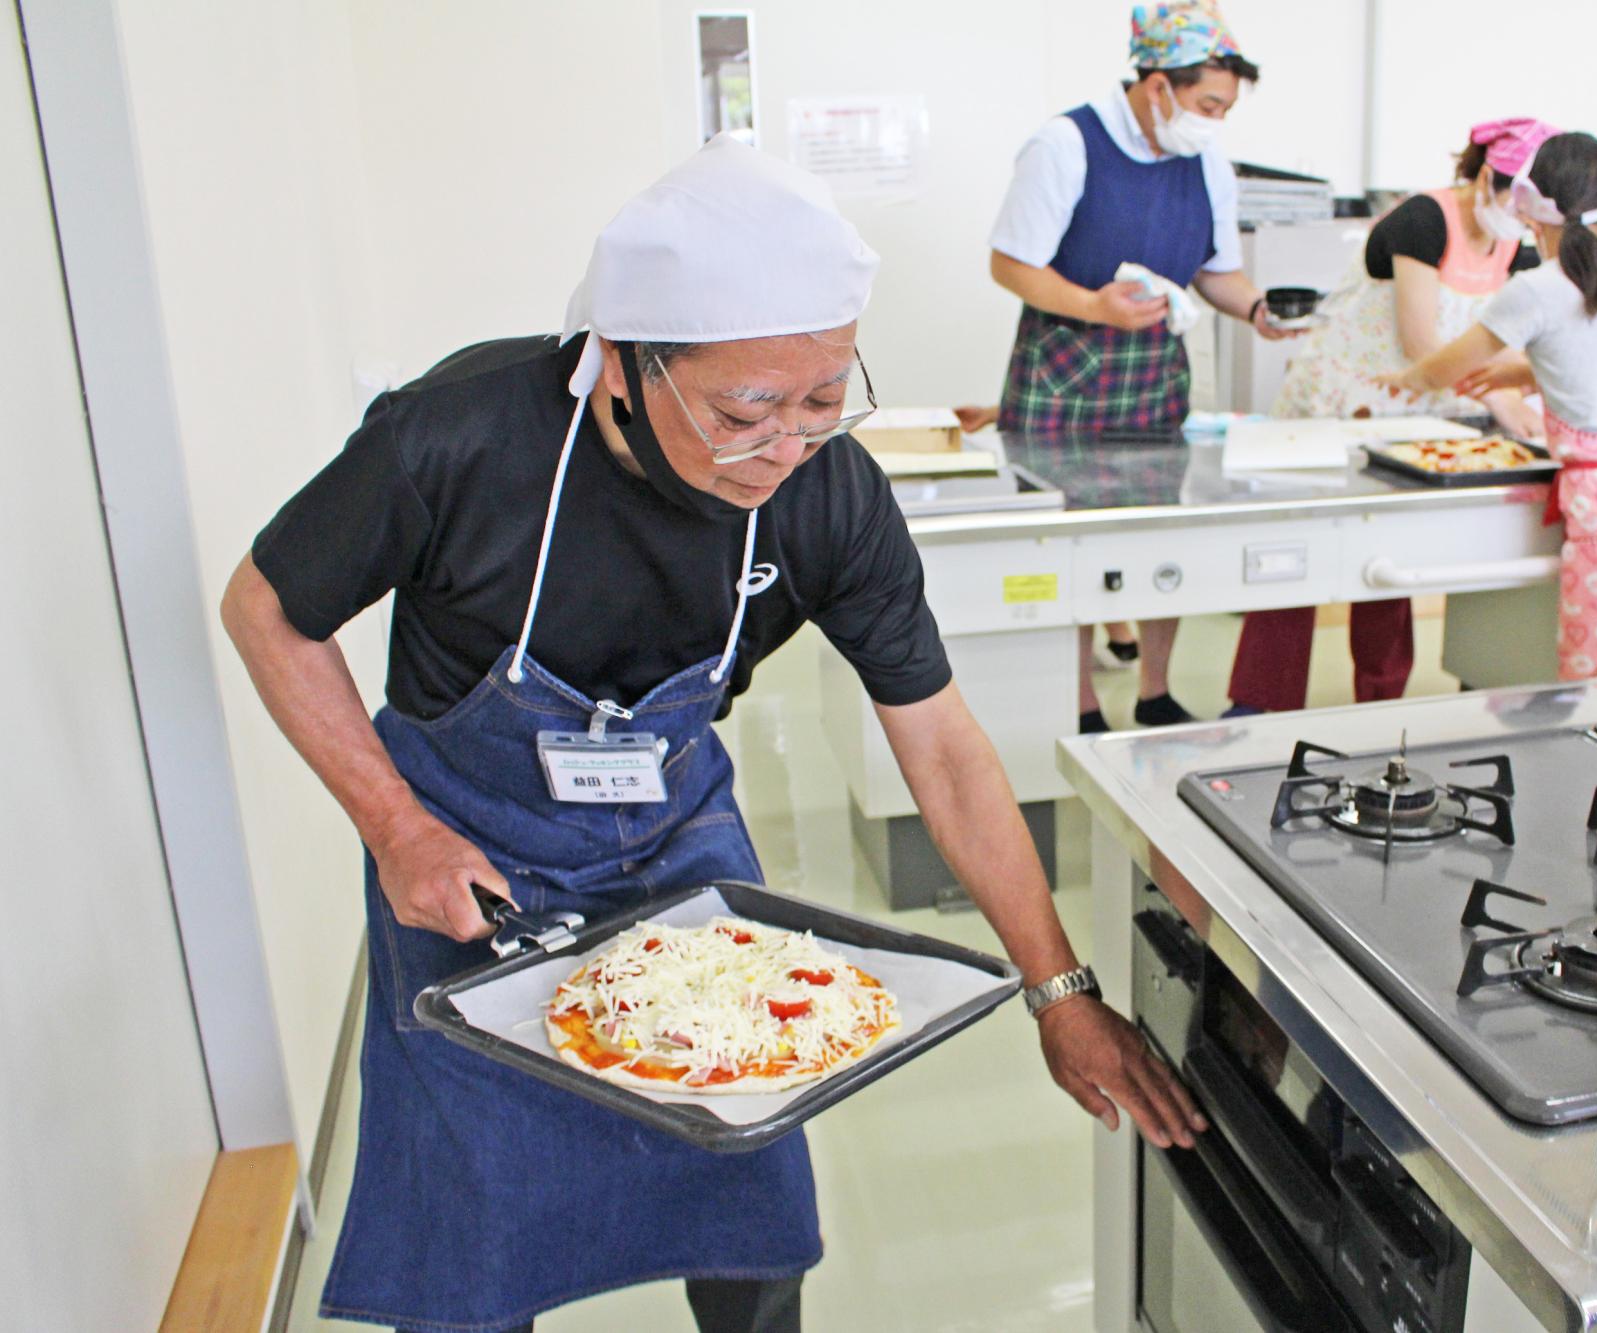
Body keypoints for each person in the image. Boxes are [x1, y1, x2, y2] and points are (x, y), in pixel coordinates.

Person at [220, 137, 1201, 1333]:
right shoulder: (457, 440)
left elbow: (940, 744)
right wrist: (394, 828)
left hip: (677, 843)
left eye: (825, 399)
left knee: (747, 1191)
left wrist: (1058, 988)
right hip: (466, 862)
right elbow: (267, 610)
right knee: (476, 1229)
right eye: (746, 411)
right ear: (624, 364)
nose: (786, 447)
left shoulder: (826, 492)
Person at [987, 1, 1295, 733]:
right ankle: (1083, 701)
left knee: (1160, 530)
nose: (1214, 122)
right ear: (1157, 86)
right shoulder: (1066, 143)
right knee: (1066, 536)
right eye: (1206, 104)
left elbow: (1217, 273)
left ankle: (1154, 690)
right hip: (1064, 367)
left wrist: (1258, 309)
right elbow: (1010, 263)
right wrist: (1096, 306)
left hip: (1154, 370)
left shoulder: (1207, 164)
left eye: (1224, 108)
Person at [1225, 119, 1555, 716]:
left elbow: (1504, 337)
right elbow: (1420, 338)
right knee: (1293, 558)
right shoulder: (1424, 222)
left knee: (1389, 562)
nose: (1523, 218)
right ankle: (1256, 706)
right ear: (1486, 177)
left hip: (1419, 418)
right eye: (1516, 200)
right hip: (1337, 406)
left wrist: (1523, 385)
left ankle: (1379, 706)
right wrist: (1500, 397)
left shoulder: (1518, 242)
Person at [1380, 132, 1597, 680]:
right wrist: (1529, 370)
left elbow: (1444, 367)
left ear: (1534, 220)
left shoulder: (1538, 287)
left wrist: (1405, 379)